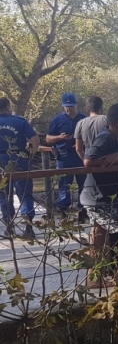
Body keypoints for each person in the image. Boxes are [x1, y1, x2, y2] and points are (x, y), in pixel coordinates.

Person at [80, 104, 118, 286]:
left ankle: (102, 277)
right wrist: (112, 158)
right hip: (96, 197)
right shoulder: (105, 137)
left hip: (106, 196)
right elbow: (88, 160)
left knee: (103, 234)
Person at [0, 98, 39, 238]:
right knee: (25, 195)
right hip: (19, 160)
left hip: (0, 163)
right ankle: (29, 228)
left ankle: (9, 227)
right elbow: (35, 140)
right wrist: (30, 155)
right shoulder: (20, 121)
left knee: (4, 195)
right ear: (8, 107)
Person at [46, 93, 88, 221]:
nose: (68, 109)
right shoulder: (57, 119)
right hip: (63, 155)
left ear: (76, 105)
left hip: (80, 154)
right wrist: (60, 137)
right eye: (66, 106)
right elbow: (48, 139)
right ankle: (63, 211)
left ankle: (83, 209)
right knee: (64, 184)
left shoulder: (84, 119)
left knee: (84, 183)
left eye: (70, 106)